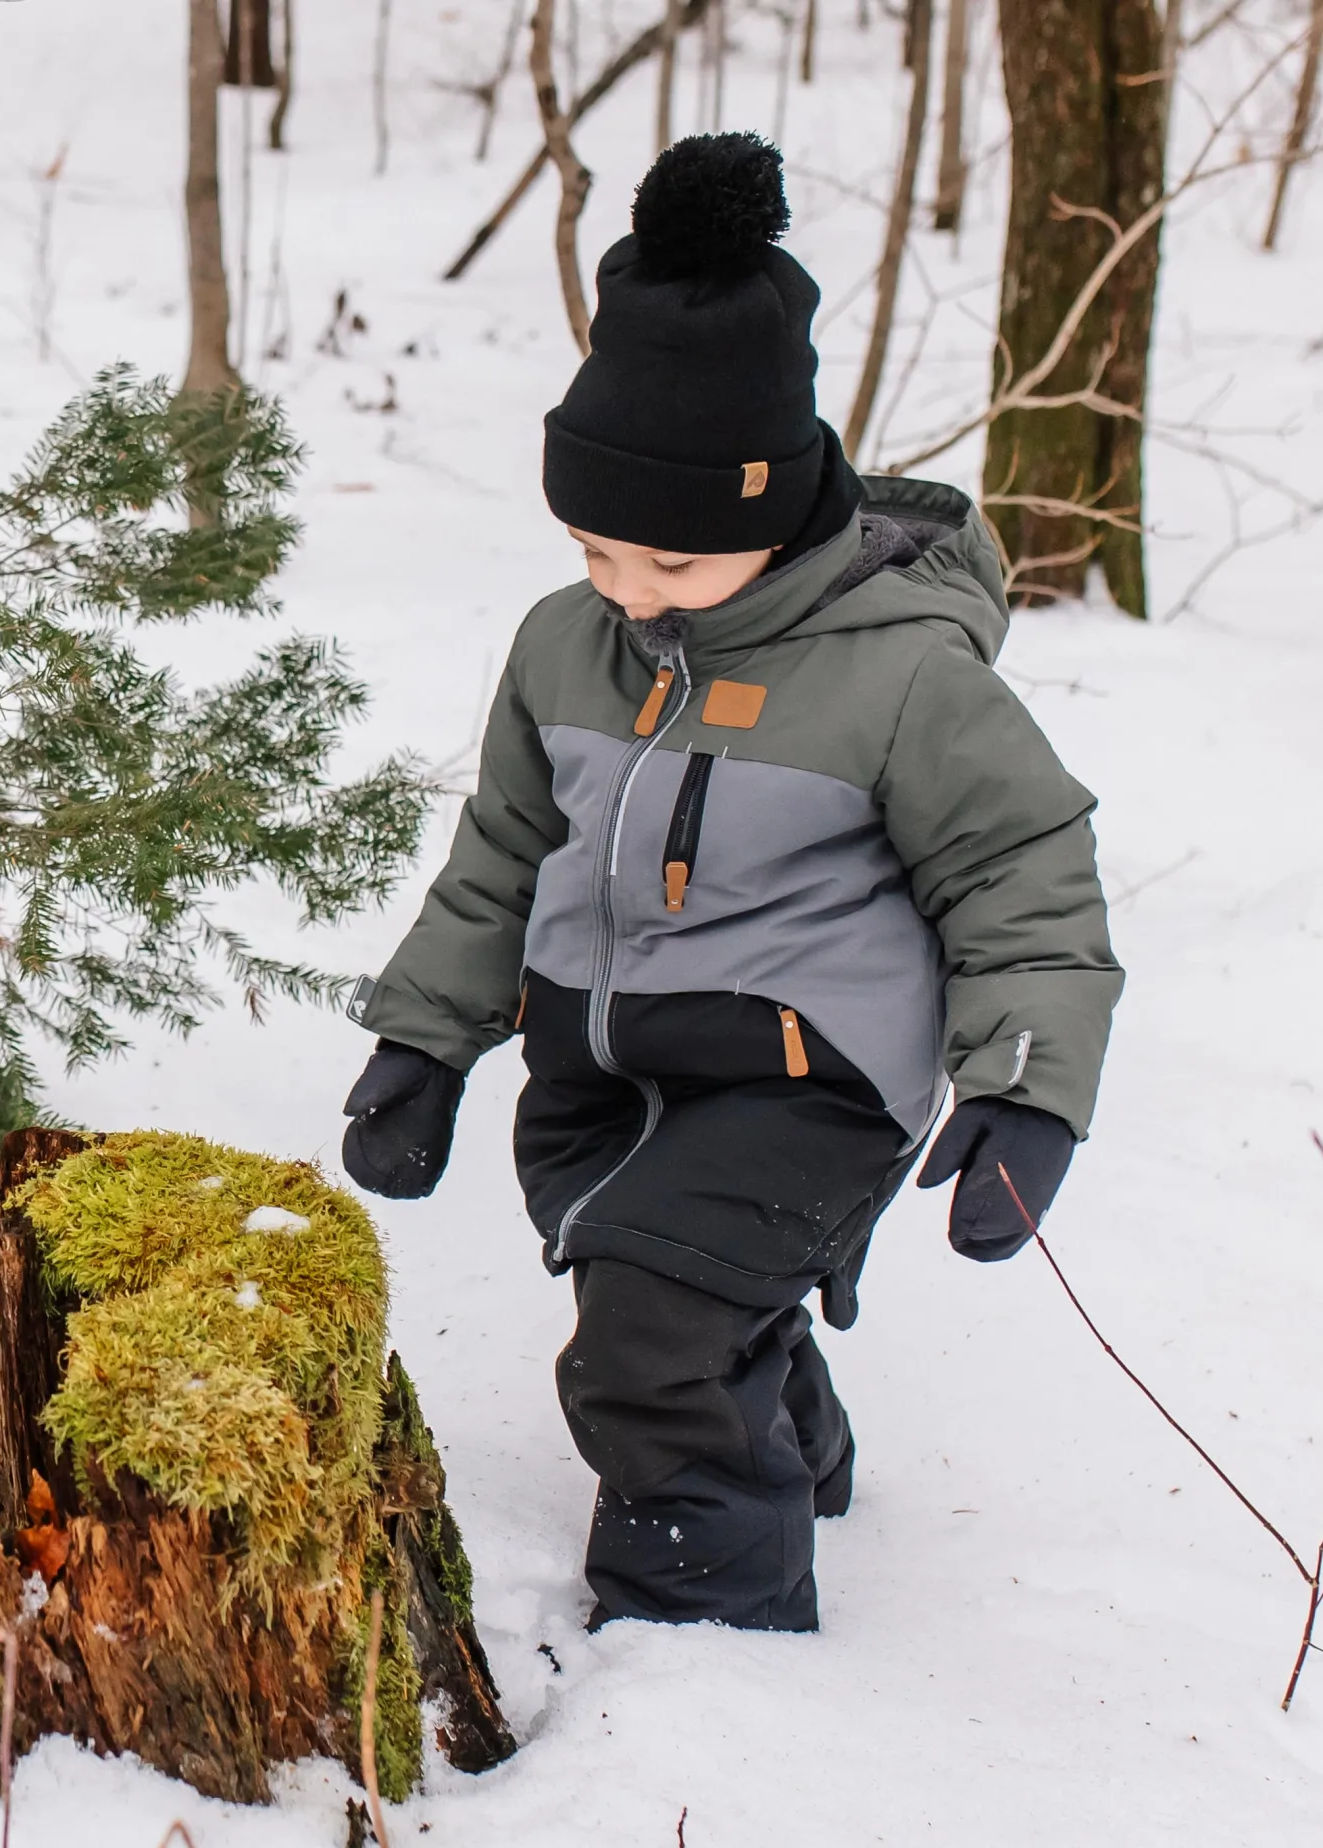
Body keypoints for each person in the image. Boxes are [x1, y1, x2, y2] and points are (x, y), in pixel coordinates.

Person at [338, 132, 1123, 1633]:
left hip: (809, 1082)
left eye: (673, 568)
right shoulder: (564, 646)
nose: (628, 594)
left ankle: (705, 1640)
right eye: (594, 549)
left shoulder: (901, 678)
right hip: (606, 1073)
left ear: (774, 510)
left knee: (645, 1349)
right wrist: (426, 1039)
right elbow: (505, 850)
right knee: (668, 1289)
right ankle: (791, 1449)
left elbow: (1021, 870)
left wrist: (1026, 1087)